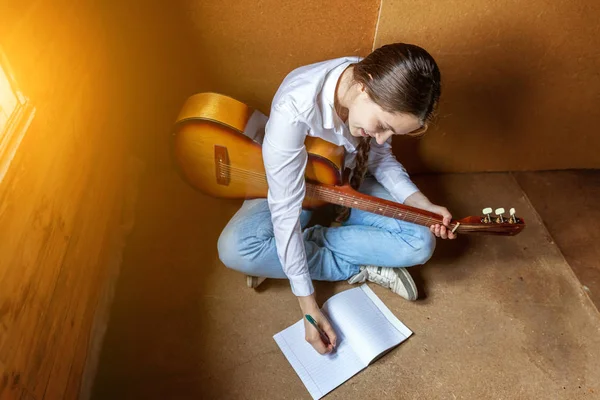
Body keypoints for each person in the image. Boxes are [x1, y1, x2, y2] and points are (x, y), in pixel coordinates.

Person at [218, 43, 456, 355]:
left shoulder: (385, 85)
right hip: (293, 191)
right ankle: (359, 266)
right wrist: (308, 307)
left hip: (347, 184)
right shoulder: (296, 105)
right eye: (382, 126)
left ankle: (293, 253)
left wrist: (420, 204)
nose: (383, 138)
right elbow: (286, 210)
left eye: (392, 132)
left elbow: (380, 160)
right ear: (362, 88)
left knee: (421, 241)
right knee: (235, 248)